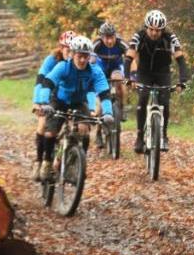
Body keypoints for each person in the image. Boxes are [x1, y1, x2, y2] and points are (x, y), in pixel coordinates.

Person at [39, 36, 116, 178]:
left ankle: (77, 164)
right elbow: (48, 82)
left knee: (84, 131)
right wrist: (44, 103)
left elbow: (104, 93)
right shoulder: (63, 67)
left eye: (85, 57)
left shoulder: (95, 71)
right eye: (79, 56)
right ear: (73, 54)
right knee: (51, 133)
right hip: (59, 100)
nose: (82, 60)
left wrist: (108, 113)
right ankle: (46, 162)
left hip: (79, 102)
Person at [124, 10, 190, 154]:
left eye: (158, 30)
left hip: (162, 73)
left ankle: (164, 136)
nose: (154, 33)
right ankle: (140, 137)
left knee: (165, 102)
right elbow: (129, 58)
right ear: (146, 27)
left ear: (163, 29)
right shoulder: (139, 36)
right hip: (144, 72)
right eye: (151, 29)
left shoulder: (170, 38)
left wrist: (182, 81)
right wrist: (128, 78)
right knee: (142, 99)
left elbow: (181, 60)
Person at [30, 30, 76, 181]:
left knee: (75, 129)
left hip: (69, 96)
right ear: (61, 48)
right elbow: (41, 80)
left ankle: (66, 163)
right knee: (44, 123)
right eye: (67, 50)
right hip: (49, 94)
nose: (70, 54)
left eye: (72, 50)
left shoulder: (77, 61)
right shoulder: (51, 60)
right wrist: (38, 102)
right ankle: (39, 162)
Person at [92, 21, 130, 119]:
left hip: (116, 67)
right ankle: (98, 113)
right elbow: (91, 61)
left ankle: (122, 107)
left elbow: (131, 58)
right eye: (106, 38)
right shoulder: (97, 44)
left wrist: (132, 75)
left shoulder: (120, 43)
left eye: (111, 37)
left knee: (119, 81)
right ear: (101, 37)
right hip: (101, 68)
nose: (109, 41)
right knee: (99, 89)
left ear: (115, 36)